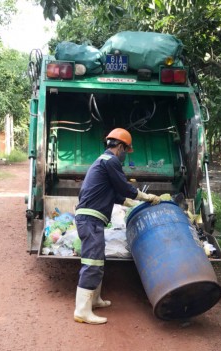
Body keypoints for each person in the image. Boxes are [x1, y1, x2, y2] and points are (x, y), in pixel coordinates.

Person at [73, 128, 161, 324]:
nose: (124, 156)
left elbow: (116, 194)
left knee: (98, 260)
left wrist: (131, 202)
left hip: (90, 219)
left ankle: (94, 300)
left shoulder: (102, 162)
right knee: (92, 263)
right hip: (90, 219)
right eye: (125, 150)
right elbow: (124, 187)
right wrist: (145, 197)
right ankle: (81, 311)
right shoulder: (111, 161)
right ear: (120, 147)